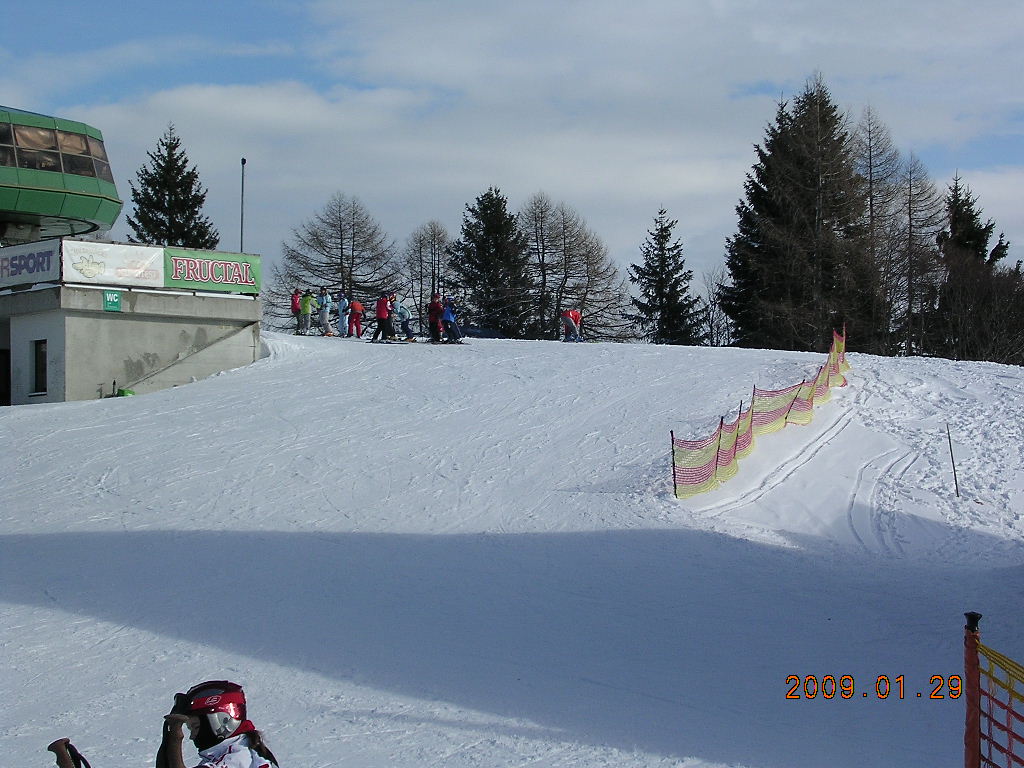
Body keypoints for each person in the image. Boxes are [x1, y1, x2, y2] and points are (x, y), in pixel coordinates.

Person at [156, 680, 279, 768]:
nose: (192, 736)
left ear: (221, 721)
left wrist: (175, 736)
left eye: (196, 727)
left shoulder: (234, 758)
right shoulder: (247, 749)